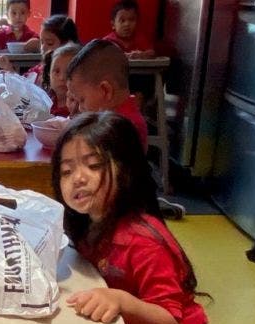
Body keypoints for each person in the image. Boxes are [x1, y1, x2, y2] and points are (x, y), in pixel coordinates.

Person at [50, 112, 215, 324]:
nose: (78, 178)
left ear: (125, 169)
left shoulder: (142, 241)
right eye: (66, 171)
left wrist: (121, 302)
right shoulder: (88, 225)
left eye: (93, 165)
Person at [66, 39, 186, 219]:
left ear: (105, 91)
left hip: (122, 213)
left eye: (82, 100)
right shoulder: (116, 115)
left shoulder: (122, 127)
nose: (80, 108)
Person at [0, 14, 78, 86]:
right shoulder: (39, 69)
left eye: (50, 43)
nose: (43, 48)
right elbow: (25, 86)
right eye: (42, 42)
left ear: (68, 45)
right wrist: (10, 71)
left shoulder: (74, 75)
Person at [47, 43, 80, 117]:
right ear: (49, 74)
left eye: (69, 72)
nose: (62, 78)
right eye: (57, 71)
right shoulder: (45, 100)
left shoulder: (81, 108)